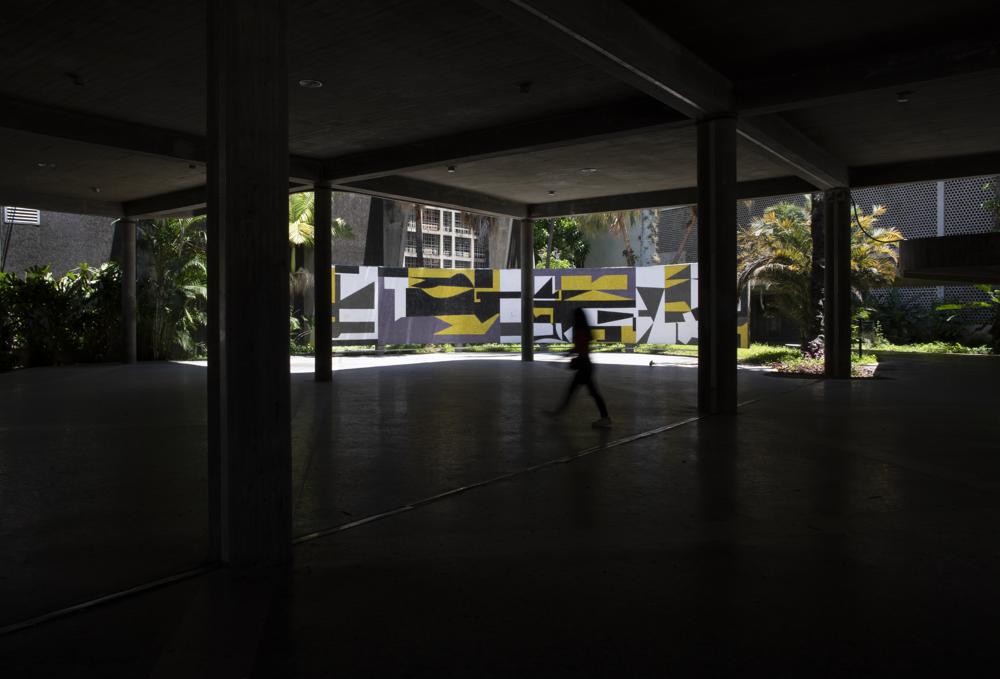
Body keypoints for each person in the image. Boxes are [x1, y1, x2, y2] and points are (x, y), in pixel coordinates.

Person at [548, 308, 611, 428]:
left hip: (584, 367)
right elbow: (582, 348)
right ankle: (604, 417)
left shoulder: (580, 331)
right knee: (589, 393)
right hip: (587, 365)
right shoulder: (586, 330)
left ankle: (605, 418)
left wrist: (562, 358)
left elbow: (578, 349)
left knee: (576, 391)